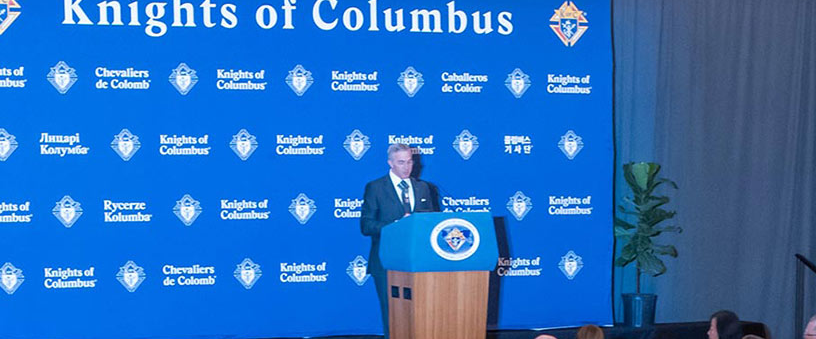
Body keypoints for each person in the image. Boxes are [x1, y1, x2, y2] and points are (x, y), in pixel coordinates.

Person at [360, 143, 438, 338]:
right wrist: (397, 224)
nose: (407, 167)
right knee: (393, 317)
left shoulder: (423, 188)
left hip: (419, 263)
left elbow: (432, 223)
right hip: (386, 262)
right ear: (390, 163)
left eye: (410, 162)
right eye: (401, 162)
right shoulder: (375, 188)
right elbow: (366, 226)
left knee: (420, 316)